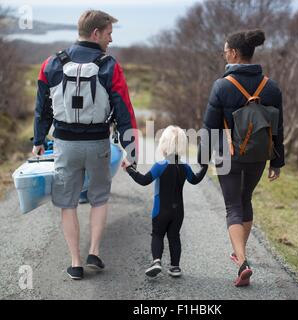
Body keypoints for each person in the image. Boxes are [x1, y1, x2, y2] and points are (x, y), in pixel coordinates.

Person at [32, 10, 138, 280]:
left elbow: (41, 109)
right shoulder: (110, 66)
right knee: (99, 197)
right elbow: (124, 110)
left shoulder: (51, 64)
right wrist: (132, 149)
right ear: (96, 34)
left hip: (65, 145)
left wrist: (38, 141)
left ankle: (76, 263)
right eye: (109, 34)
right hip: (97, 143)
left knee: (67, 203)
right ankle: (94, 251)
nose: (111, 40)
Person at [199, 29, 285, 287]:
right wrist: (277, 160)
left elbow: (210, 128)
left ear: (234, 53)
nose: (224, 54)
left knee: (232, 206)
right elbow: (278, 127)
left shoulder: (222, 86)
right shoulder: (271, 87)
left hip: (229, 156)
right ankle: (240, 255)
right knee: (245, 200)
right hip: (258, 155)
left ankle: (243, 261)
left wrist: (202, 161)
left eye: (225, 51)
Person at [122, 126, 208, 278]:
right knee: (174, 237)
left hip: (160, 210)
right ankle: (175, 267)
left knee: (157, 234)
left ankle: (156, 261)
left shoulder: (160, 165)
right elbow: (195, 180)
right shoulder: (184, 166)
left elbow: (143, 180)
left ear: (163, 144)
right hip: (178, 212)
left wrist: (129, 169)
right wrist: (204, 167)